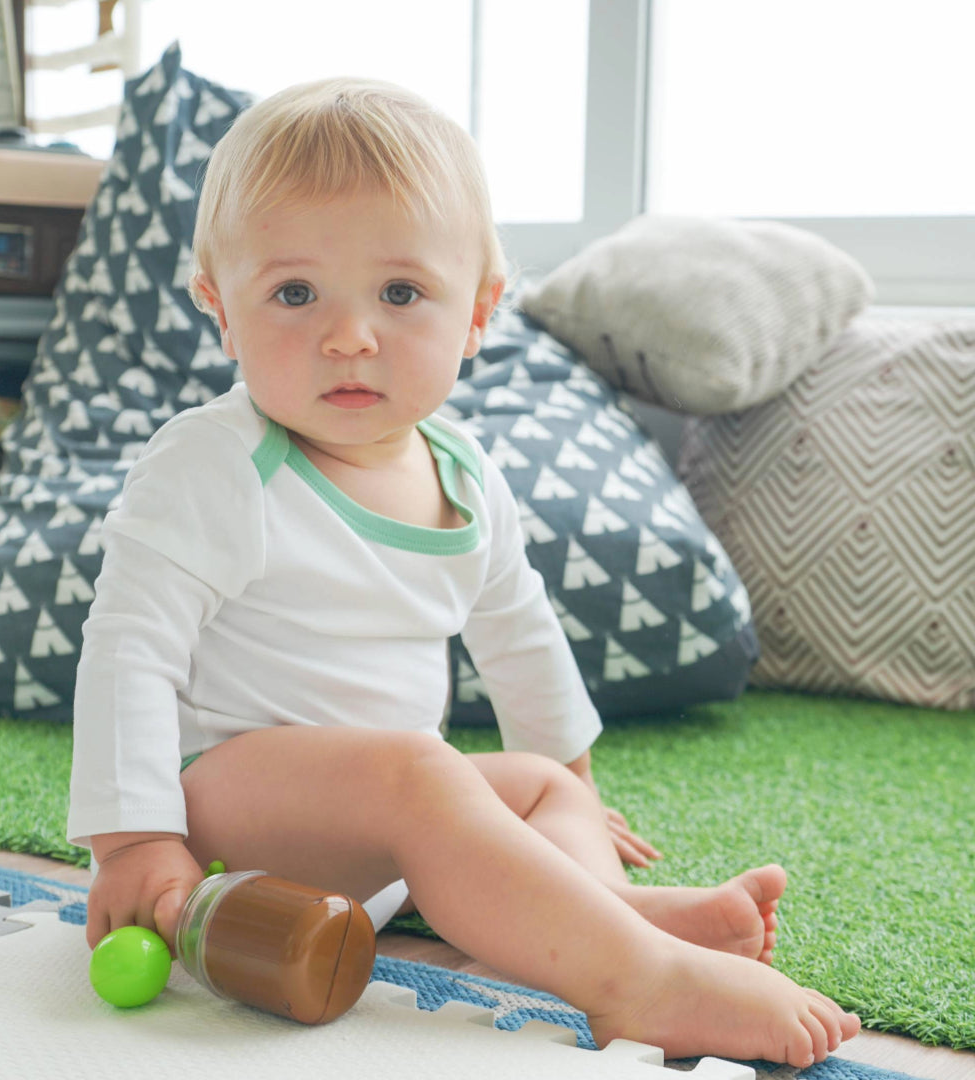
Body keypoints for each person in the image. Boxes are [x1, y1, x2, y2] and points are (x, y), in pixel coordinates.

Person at [67, 76, 860, 1067]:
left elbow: (517, 627)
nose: (349, 334)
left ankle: (596, 911)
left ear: (479, 311)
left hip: (384, 833)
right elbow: (128, 647)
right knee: (421, 769)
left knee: (529, 786)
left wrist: (563, 785)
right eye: (294, 292)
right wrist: (135, 839)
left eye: (400, 294)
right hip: (222, 810)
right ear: (220, 309)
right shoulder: (215, 463)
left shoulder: (462, 472)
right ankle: (634, 981)